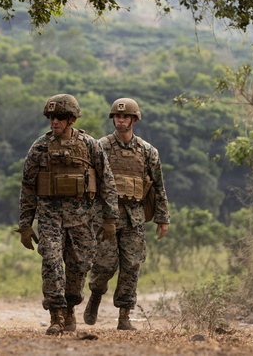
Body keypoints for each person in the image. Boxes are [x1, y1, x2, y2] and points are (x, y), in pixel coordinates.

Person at [17, 94, 118, 335]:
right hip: (50, 216)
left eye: (60, 117)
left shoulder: (90, 145)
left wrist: (110, 218)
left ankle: (70, 306)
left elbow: (107, 181)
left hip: (83, 218)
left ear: (71, 119)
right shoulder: (39, 147)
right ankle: (56, 315)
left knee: (79, 266)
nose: (55, 122)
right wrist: (25, 224)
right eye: (51, 117)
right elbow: (28, 186)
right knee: (51, 262)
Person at [84, 98, 170, 330]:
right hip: (105, 216)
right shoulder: (100, 147)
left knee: (132, 265)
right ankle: (95, 296)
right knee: (105, 265)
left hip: (134, 215)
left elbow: (158, 186)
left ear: (133, 120)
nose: (120, 120)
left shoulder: (147, 151)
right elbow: (89, 181)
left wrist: (162, 218)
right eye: (117, 116)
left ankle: (124, 316)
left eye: (125, 117)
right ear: (113, 119)